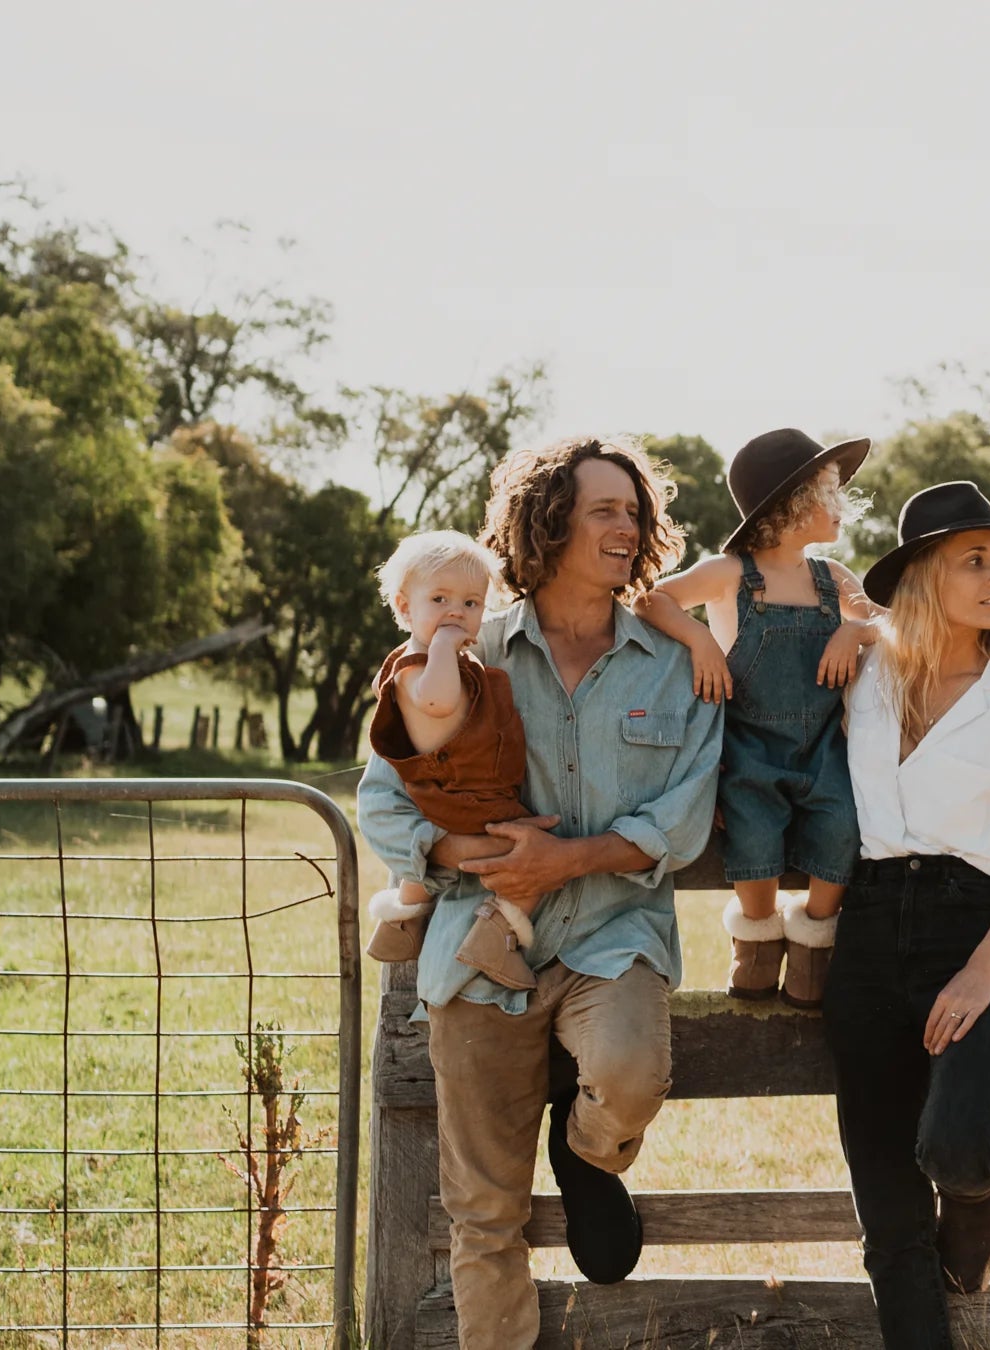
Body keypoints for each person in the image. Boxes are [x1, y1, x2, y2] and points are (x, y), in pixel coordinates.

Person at [357, 436, 722, 1349]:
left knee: (631, 1082)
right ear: (549, 521)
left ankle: (588, 1152)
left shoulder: (675, 660)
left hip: (613, 931)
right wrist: (464, 849)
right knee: (483, 1213)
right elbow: (381, 796)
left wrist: (570, 859)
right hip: (481, 948)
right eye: (605, 509)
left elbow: (686, 816)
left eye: (634, 513)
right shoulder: (464, 649)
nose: (625, 526)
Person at [831, 481, 990, 1349]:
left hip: (972, 925)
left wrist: (983, 970)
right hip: (867, 934)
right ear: (920, 577)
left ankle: (976, 1202)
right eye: (972, 560)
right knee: (888, 1208)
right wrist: (846, 622)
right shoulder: (865, 672)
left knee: (958, 1150)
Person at [636, 428, 880, 1008]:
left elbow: (889, 622)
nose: (842, 505)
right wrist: (698, 636)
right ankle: (757, 938)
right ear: (791, 504)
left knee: (843, 827)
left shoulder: (833, 580)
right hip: (748, 746)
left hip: (822, 746)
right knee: (753, 835)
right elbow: (650, 600)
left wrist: (854, 628)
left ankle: (814, 936)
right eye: (829, 492)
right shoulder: (729, 573)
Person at [360, 530, 557, 992]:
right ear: (405, 608)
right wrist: (447, 648)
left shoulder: (418, 658)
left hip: (451, 790)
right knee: (530, 860)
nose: (457, 612)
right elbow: (440, 703)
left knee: (517, 853)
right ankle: (498, 933)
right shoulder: (422, 667)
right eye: (441, 599)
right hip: (464, 796)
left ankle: (402, 921)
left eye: (472, 604)